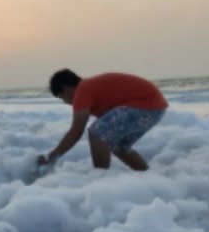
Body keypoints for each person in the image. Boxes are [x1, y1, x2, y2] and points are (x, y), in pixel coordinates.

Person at [37, 70, 167, 171]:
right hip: (156, 109)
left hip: (145, 105)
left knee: (96, 133)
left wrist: (52, 156)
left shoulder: (83, 90)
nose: (66, 103)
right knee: (118, 146)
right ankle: (145, 174)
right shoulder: (91, 90)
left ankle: (100, 179)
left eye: (61, 98)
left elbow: (76, 132)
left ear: (66, 89)